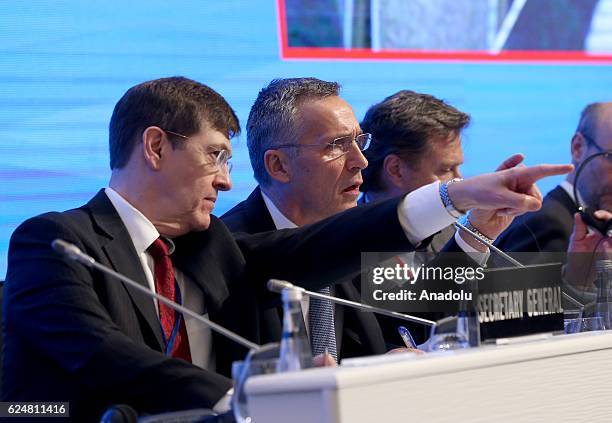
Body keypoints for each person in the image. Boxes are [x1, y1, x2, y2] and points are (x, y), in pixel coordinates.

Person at [3, 76, 570, 420]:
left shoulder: (208, 246)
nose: (226, 180)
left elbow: (394, 286)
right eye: (214, 156)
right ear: (155, 146)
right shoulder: (55, 241)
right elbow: (103, 356)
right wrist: (260, 396)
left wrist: (456, 202)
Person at [221, 77, 565, 351]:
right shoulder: (230, 248)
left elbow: (418, 321)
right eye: (337, 146)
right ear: (278, 165)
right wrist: (457, 195)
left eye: (359, 142)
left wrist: (477, 232)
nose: (361, 161)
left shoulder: (344, 233)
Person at [495, 102, 612, 299]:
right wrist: (577, 286)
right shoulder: (549, 224)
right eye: (611, 157)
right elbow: (521, 320)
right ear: (577, 147)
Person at [359, 90, 470, 253]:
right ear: (396, 170)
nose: (459, 180)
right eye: (446, 169)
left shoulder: (453, 231)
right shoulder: (341, 244)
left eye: (458, 168)